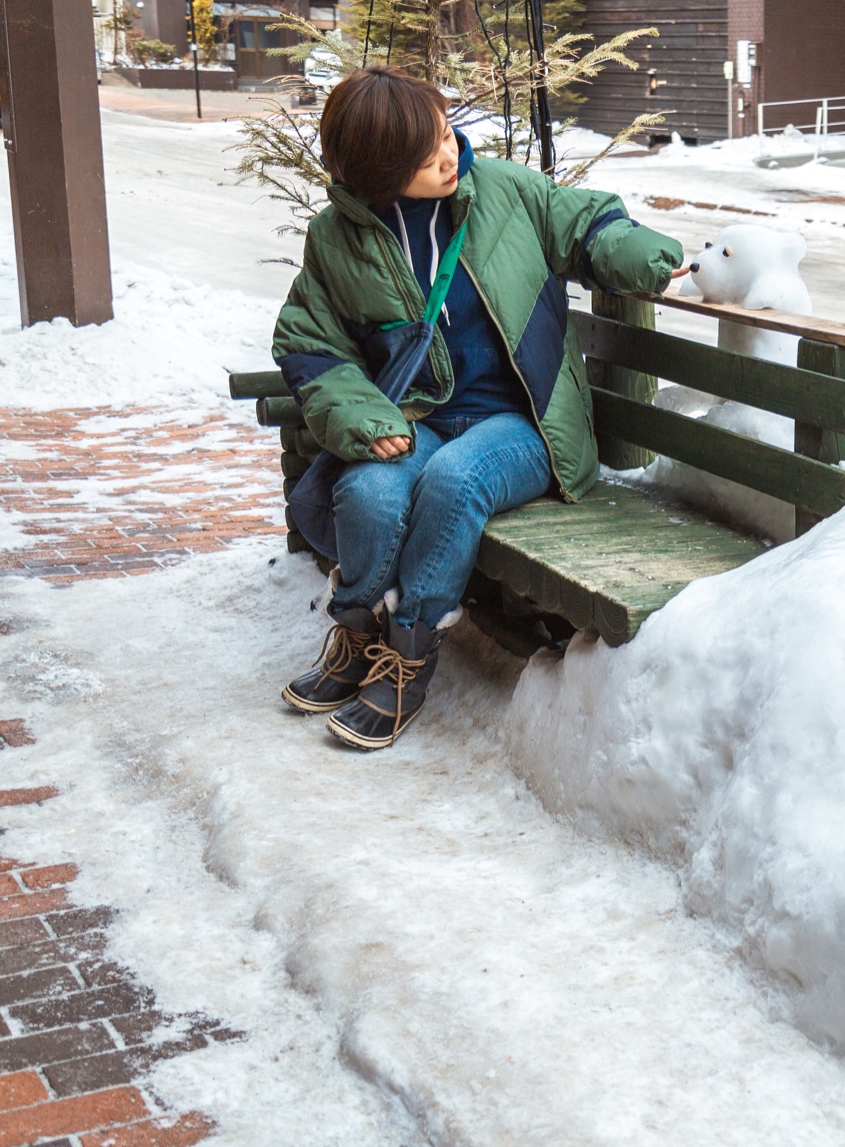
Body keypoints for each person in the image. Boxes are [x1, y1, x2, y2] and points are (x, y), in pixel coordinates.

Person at [272, 66, 683, 750]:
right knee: (370, 492)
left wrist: (629, 250)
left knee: (456, 480)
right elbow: (311, 343)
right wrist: (365, 418)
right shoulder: (337, 239)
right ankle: (358, 630)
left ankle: (409, 651)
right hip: (417, 419)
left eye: (443, 132)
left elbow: (582, 220)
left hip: (525, 423)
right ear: (376, 173)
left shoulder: (504, 192)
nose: (448, 153)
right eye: (423, 152)